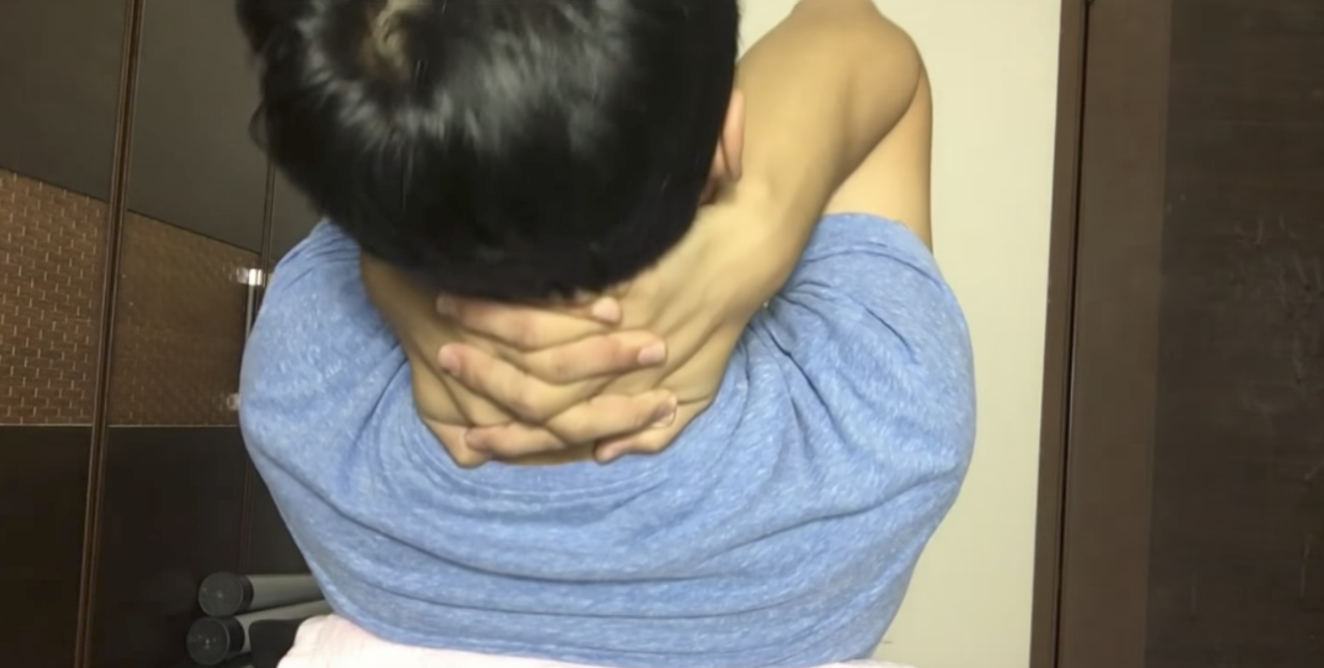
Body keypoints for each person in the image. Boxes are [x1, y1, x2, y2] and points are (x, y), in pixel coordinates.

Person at [237, 0, 976, 666]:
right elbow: (851, 31)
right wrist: (758, 218)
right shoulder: (877, 429)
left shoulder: (305, 389)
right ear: (731, 138)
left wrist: (396, 283)